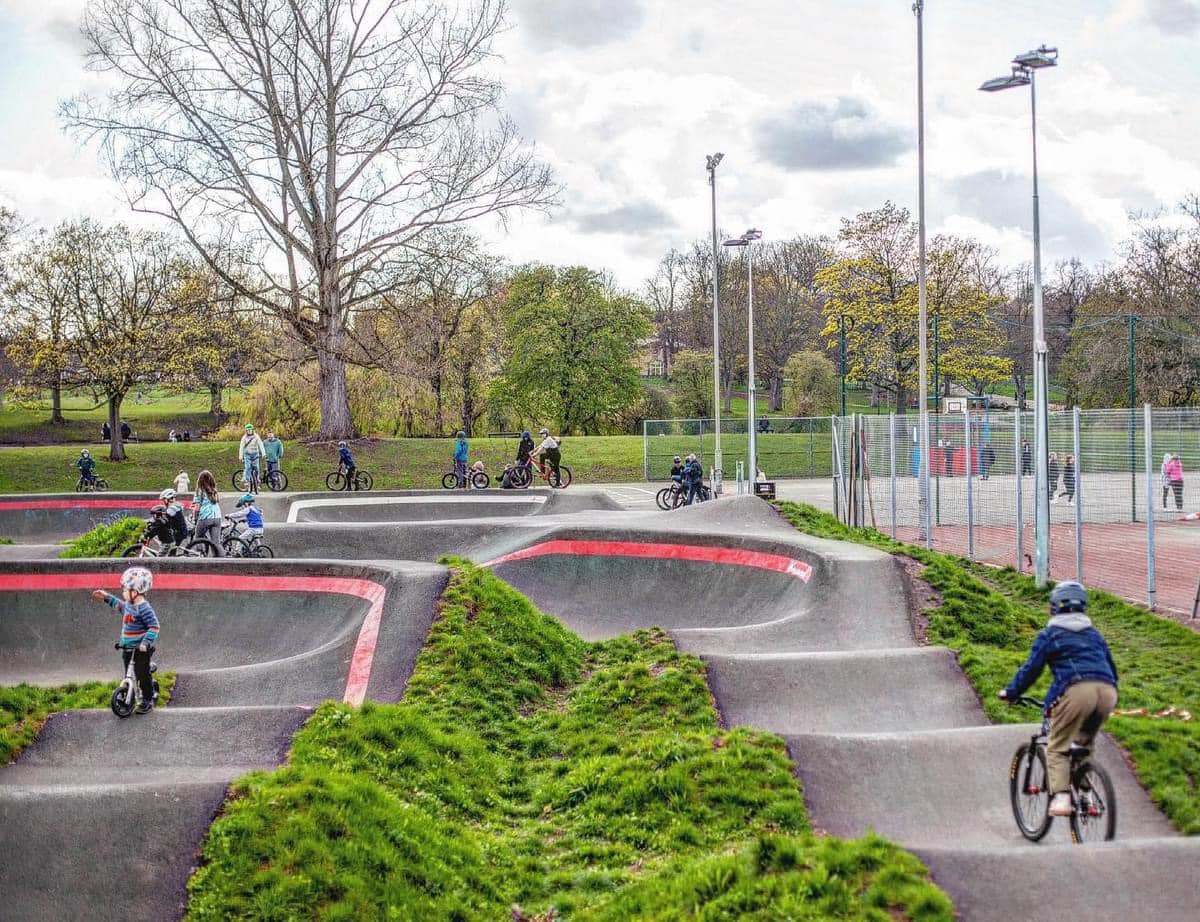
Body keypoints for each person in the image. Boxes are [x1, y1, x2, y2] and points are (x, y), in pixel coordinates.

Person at [998, 580, 1118, 817]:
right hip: (1107, 692)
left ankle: (1062, 797)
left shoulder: (1050, 635)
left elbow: (1031, 669)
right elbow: (1111, 668)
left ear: (1054, 606)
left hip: (1077, 690)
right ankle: (1086, 797)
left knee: (1057, 746)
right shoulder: (1094, 635)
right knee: (1082, 745)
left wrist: (1011, 692)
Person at [92, 567, 160, 714]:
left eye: (125, 590)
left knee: (142, 675)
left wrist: (145, 643)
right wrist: (106, 597)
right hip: (127, 648)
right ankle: (129, 699)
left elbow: (154, 627)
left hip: (140, 650)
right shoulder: (129, 605)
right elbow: (120, 605)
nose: (123, 592)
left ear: (135, 592)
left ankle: (147, 699)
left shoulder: (144, 608)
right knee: (129, 674)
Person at [192, 470, 223, 556]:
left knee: (198, 538)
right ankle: (221, 559)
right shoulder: (214, 490)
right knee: (216, 542)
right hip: (217, 517)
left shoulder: (200, 491)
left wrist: (195, 518)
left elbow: (197, 507)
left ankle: (201, 555)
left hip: (205, 517)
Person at [238, 424, 265, 491]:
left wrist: (263, 453)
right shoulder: (244, 438)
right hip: (247, 454)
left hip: (255, 454)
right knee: (248, 467)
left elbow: (260, 444)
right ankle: (247, 481)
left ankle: (257, 482)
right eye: (248, 430)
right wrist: (241, 456)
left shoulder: (256, 436)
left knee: (257, 468)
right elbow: (241, 447)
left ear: (253, 430)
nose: (249, 431)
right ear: (246, 431)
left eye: (250, 430)